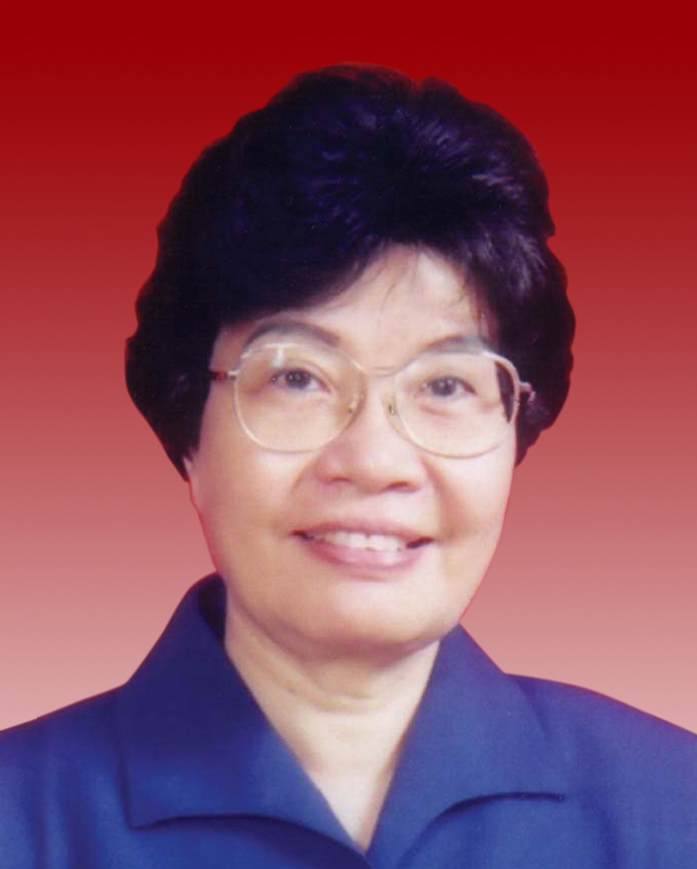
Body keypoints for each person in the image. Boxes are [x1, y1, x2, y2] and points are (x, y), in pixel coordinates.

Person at [0, 63, 695, 868]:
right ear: (189, 431)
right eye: (298, 377)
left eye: (445, 384)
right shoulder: (21, 820)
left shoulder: (669, 809)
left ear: (515, 433)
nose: (373, 461)